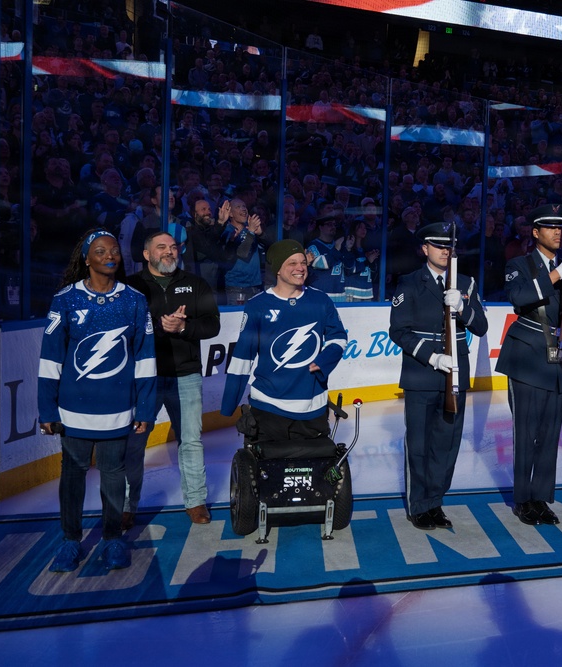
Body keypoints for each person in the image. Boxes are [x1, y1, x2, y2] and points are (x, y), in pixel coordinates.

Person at [37, 229, 156, 572]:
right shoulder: (65, 299)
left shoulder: (134, 300)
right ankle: (70, 541)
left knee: (113, 475)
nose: (110, 255)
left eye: (114, 250)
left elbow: (145, 359)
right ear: (86, 259)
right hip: (74, 411)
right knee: (72, 476)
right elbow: (50, 359)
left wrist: (145, 407)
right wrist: (47, 408)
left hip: (117, 411)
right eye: (101, 251)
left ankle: (112, 538)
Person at [389, 222, 488, 530]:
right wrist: (431, 356)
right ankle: (419, 505)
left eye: (449, 246)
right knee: (418, 443)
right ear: (425, 249)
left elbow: (481, 327)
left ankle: (435, 502)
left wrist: (463, 308)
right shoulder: (409, 282)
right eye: (438, 245)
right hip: (421, 375)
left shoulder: (466, 283)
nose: (445, 251)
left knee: (447, 443)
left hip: (455, 376)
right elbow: (398, 331)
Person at [124, 231, 221, 527]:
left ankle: (195, 501)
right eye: (161, 247)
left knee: (190, 441)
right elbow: (123, 331)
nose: (169, 252)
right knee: (134, 443)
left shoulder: (195, 284)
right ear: (146, 254)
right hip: (144, 378)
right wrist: (159, 325)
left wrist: (183, 327)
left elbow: (212, 325)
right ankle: (127, 505)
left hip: (186, 375)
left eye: (173, 247)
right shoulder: (131, 287)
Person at [495, 204, 562, 525]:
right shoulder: (520, 264)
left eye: (561, 227)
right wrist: (557, 275)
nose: (557, 232)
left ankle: (541, 498)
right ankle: (523, 499)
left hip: (560, 361)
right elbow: (519, 298)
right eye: (549, 227)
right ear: (535, 232)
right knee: (526, 432)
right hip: (527, 357)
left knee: (549, 434)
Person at [221, 240, 347, 441]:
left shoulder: (321, 300)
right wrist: (229, 404)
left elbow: (338, 338)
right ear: (278, 269)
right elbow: (243, 357)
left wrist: (324, 361)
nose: (300, 268)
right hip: (269, 407)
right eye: (292, 263)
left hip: (313, 406)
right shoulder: (258, 305)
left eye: (303, 263)